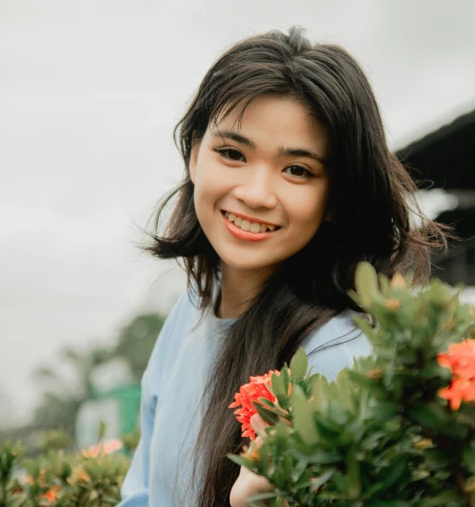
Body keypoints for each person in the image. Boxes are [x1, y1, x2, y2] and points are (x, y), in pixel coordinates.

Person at [118, 26, 448, 507]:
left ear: (336, 196)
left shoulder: (341, 359)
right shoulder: (191, 312)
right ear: (193, 155)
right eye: (232, 154)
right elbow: (143, 496)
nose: (255, 193)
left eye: (297, 170)